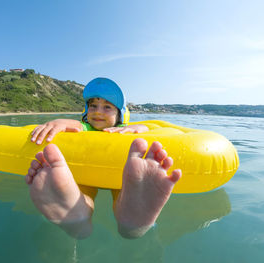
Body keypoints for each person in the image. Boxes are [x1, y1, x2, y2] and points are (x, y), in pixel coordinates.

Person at [25, 78, 182, 239]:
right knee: (80, 188)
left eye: (107, 107)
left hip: (120, 174)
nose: (98, 111)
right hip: (88, 170)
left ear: (119, 114)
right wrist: (60, 122)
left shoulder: (122, 129)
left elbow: (147, 127)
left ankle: (132, 217)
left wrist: (136, 128)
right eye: (93, 106)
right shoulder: (86, 127)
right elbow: (77, 125)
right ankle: (75, 214)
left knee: (126, 185)